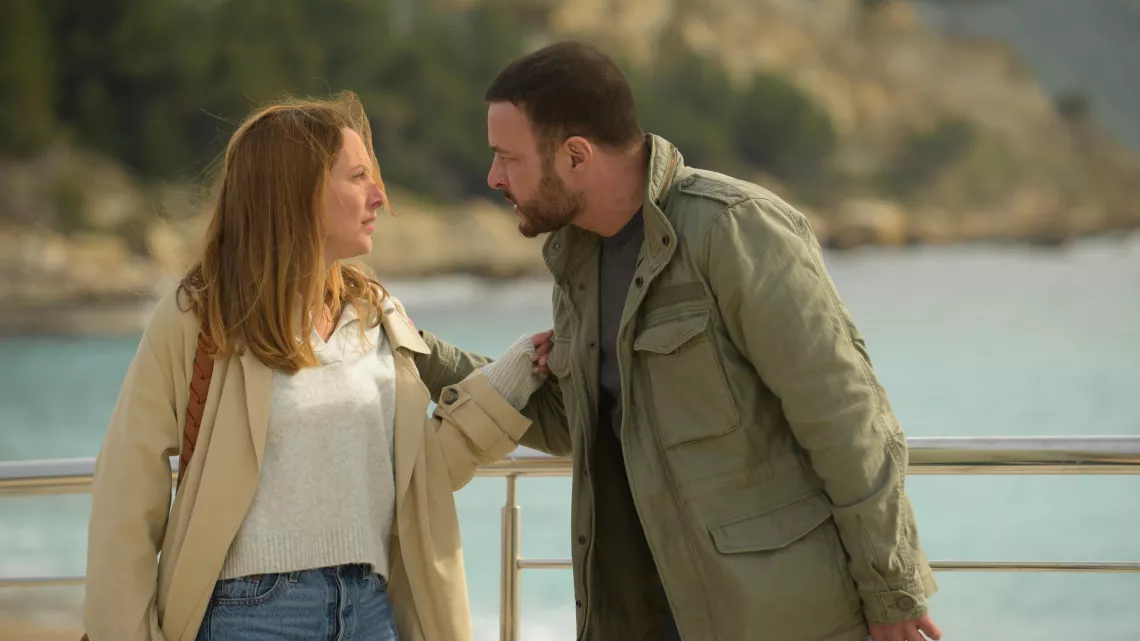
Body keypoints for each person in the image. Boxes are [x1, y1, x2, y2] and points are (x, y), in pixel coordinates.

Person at [474, 40, 942, 641]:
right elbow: (582, 422)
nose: (494, 177)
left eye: (507, 158)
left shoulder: (733, 227)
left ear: (575, 155)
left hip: (773, 619)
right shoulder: (577, 259)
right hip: (644, 615)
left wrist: (891, 589)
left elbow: (845, 417)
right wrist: (416, 352)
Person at [82, 92, 550, 641]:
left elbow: (415, 480)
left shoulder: (377, 315)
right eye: (358, 177)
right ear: (297, 191)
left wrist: (504, 386)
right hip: (248, 618)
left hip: (370, 611)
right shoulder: (200, 316)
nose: (379, 196)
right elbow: (128, 492)